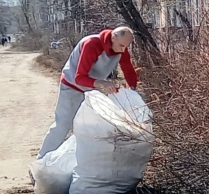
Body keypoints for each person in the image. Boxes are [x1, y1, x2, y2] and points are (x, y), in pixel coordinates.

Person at [35, 27, 138, 160]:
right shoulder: (91, 44)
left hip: (91, 90)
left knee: (89, 127)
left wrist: (133, 91)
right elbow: (79, 78)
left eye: (126, 46)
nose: (124, 50)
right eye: (122, 45)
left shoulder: (120, 47)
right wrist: (102, 83)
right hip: (71, 86)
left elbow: (128, 70)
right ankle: (41, 160)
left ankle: (75, 162)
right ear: (113, 38)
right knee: (63, 125)